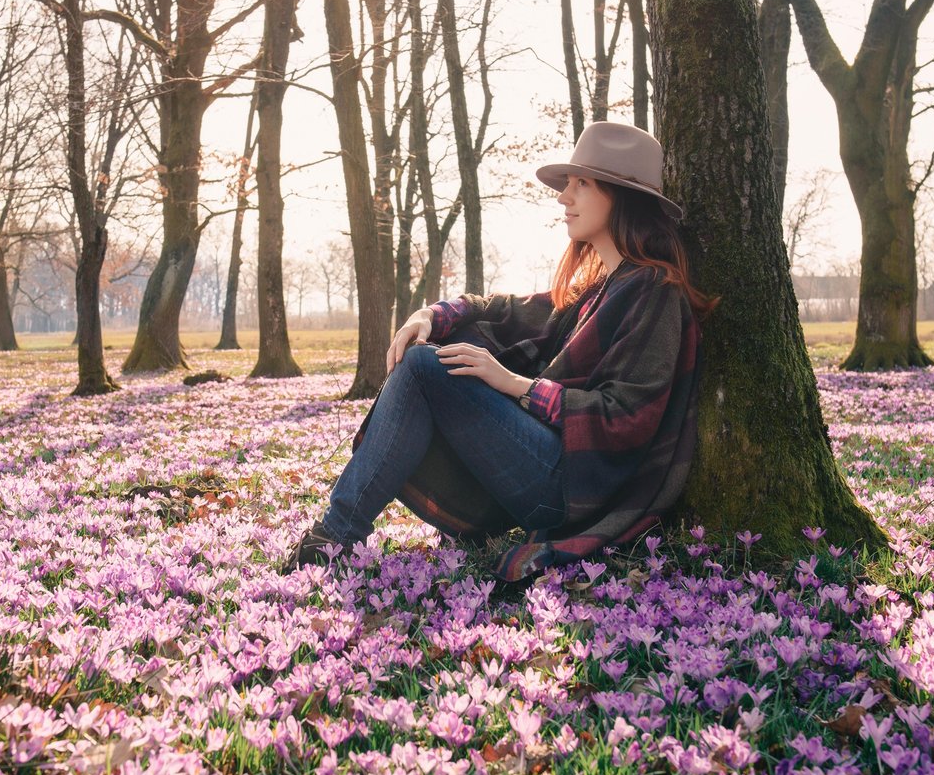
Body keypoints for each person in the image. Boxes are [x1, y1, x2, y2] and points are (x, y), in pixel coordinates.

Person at [282, 120, 714, 585]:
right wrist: (428, 316)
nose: (564, 197)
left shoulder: (654, 292)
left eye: (581, 184)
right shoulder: (597, 291)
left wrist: (516, 386)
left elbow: (627, 417)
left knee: (427, 366)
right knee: (430, 353)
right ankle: (335, 535)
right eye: (567, 184)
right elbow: (504, 310)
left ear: (620, 196)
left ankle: (334, 536)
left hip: (578, 488)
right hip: (549, 472)